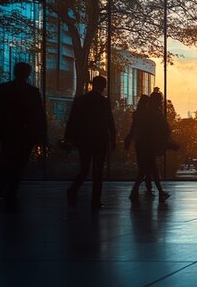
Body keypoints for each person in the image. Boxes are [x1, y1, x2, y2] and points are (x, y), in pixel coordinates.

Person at [0, 62, 47, 206]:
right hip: (26, 134)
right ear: (28, 74)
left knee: (8, 162)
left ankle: (0, 190)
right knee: (20, 164)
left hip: (8, 133)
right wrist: (41, 135)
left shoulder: (2, 89)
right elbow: (39, 115)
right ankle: (11, 192)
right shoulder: (33, 92)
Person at [65, 75, 116, 211]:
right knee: (98, 171)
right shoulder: (105, 102)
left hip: (85, 140)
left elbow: (72, 120)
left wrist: (68, 138)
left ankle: (73, 190)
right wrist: (113, 138)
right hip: (100, 140)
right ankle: (95, 201)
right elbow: (110, 121)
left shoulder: (81, 100)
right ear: (103, 86)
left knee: (85, 168)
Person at [125, 92, 171, 205]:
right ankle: (137, 191)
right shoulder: (154, 113)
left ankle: (157, 192)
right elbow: (161, 128)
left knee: (148, 168)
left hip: (141, 143)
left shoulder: (141, 113)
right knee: (149, 169)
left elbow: (134, 128)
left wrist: (130, 138)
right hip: (149, 144)